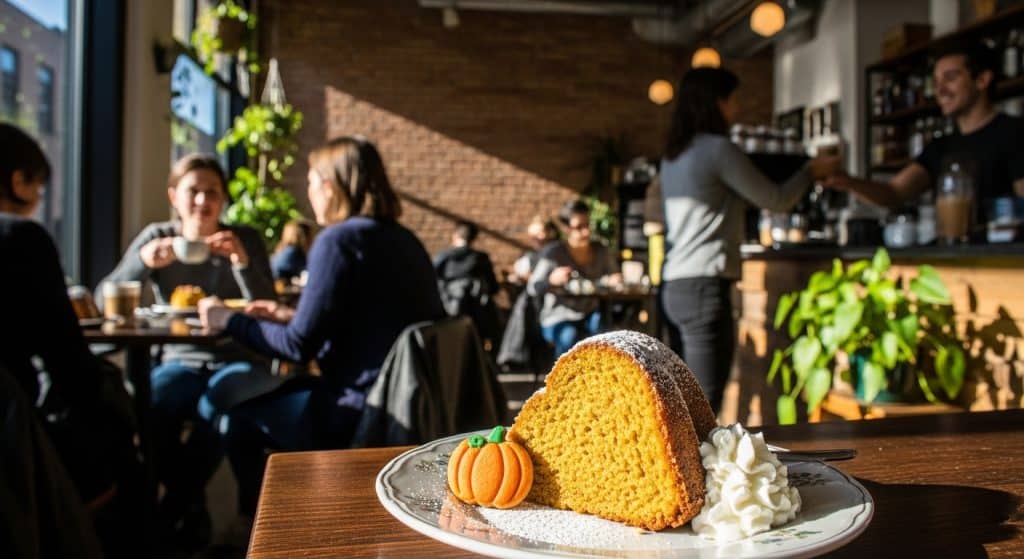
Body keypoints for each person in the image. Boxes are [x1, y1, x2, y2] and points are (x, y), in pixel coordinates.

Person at [198, 136, 445, 516]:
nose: (309, 192)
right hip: (408, 401)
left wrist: (227, 319)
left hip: (357, 409)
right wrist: (288, 316)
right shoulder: (405, 240)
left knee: (237, 422)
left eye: (312, 182)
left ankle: (269, 528)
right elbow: (372, 318)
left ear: (330, 187)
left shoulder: (338, 240)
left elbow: (298, 347)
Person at [99, 153, 276, 547]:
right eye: (193, 191)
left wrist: (242, 263)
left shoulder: (244, 239)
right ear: (173, 196)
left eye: (212, 192)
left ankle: (171, 510)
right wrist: (141, 263)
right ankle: (191, 507)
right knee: (152, 404)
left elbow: (272, 308)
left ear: (224, 198)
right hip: (179, 358)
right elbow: (102, 300)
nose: (202, 201)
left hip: (238, 357)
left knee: (216, 405)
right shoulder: (157, 237)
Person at [658, 67, 840, 413]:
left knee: (680, 405)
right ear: (717, 102)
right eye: (733, 100)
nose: (738, 108)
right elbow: (775, 199)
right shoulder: (718, 150)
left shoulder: (673, 156)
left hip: (674, 287)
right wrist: (811, 171)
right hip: (704, 287)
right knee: (702, 409)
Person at [0, 123, 138, 557]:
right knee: (115, 430)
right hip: (10, 439)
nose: (39, 199)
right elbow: (69, 365)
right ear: (19, 182)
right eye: (38, 187)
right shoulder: (19, 238)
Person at [827, 41, 1024, 215]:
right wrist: (848, 182)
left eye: (950, 78)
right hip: (954, 245)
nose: (940, 90)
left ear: (982, 80)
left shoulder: (1015, 133)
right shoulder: (941, 146)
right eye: (936, 82)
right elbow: (895, 192)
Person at [527, 200, 621, 357]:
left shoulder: (600, 250)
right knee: (569, 336)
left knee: (604, 336)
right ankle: (564, 373)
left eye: (587, 225)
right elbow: (532, 287)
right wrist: (551, 281)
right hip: (558, 316)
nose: (585, 232)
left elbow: (615, 275)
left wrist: (614, 279)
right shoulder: (554, 253)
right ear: (566, 228)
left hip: (590, 314)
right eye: (579, 227)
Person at [508, 215, 559, 284]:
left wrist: (527, 277)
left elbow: (540, 280)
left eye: (535, 236)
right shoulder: (533, 253)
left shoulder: (553, 251)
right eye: (531, 237)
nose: (532, 240)